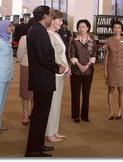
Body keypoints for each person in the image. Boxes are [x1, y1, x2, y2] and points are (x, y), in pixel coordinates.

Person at [25, 6, 66, 157]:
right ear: (44, 16)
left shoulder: (36, 30)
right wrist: (58, 67)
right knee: (39, 116)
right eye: (49, 15)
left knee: (41, 115)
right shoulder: (39, 32)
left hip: (41, 78)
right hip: (43, 79)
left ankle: (38, 144)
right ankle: (34, 150)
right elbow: (44, 57)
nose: (51, 18)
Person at [45, 9, 71, 142]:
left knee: (57, 103)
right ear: (52, 20)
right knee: (52, 103)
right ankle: (49, 132)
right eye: (59, 20)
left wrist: (67, 67)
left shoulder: (57, 34)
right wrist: (64, 68)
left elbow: (62, 54)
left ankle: (54, 130)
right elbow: (54, 56)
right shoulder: (48, 35)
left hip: (60, 73)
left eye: (61, 20)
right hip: (54, 74)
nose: (62, 23)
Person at [70, 19, 97, 123]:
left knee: (86, 94)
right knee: (75, 93)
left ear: (88, 28)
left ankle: (85, 115)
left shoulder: (93, 40)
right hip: (76, 70)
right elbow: (71, 54)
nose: (81, 29)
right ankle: (76, 115)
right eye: (80, 27)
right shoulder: (74, 40)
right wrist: (80, 65)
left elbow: (94, 54)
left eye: (83, 27)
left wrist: (87, 65)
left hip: (89, 71)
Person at [104, 21, 123, 120]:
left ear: (121, 29)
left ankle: (120, 111)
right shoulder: (109, 40)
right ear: (112, 29)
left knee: (121, 89)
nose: (117, 29)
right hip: (111, 67)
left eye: (119, 28)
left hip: (122, 67)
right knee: (111, 89)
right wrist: (105, 69)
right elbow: (106, 56)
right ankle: (111, 111)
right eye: (115, 27)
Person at [17, 18, 35, 126]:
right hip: (26, 66)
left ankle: (33, 113)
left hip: (38, 69)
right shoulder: (24, 38)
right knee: (25, 93)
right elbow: (20, 53)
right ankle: (25, 114)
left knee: (35, 94)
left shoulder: (43, 37)